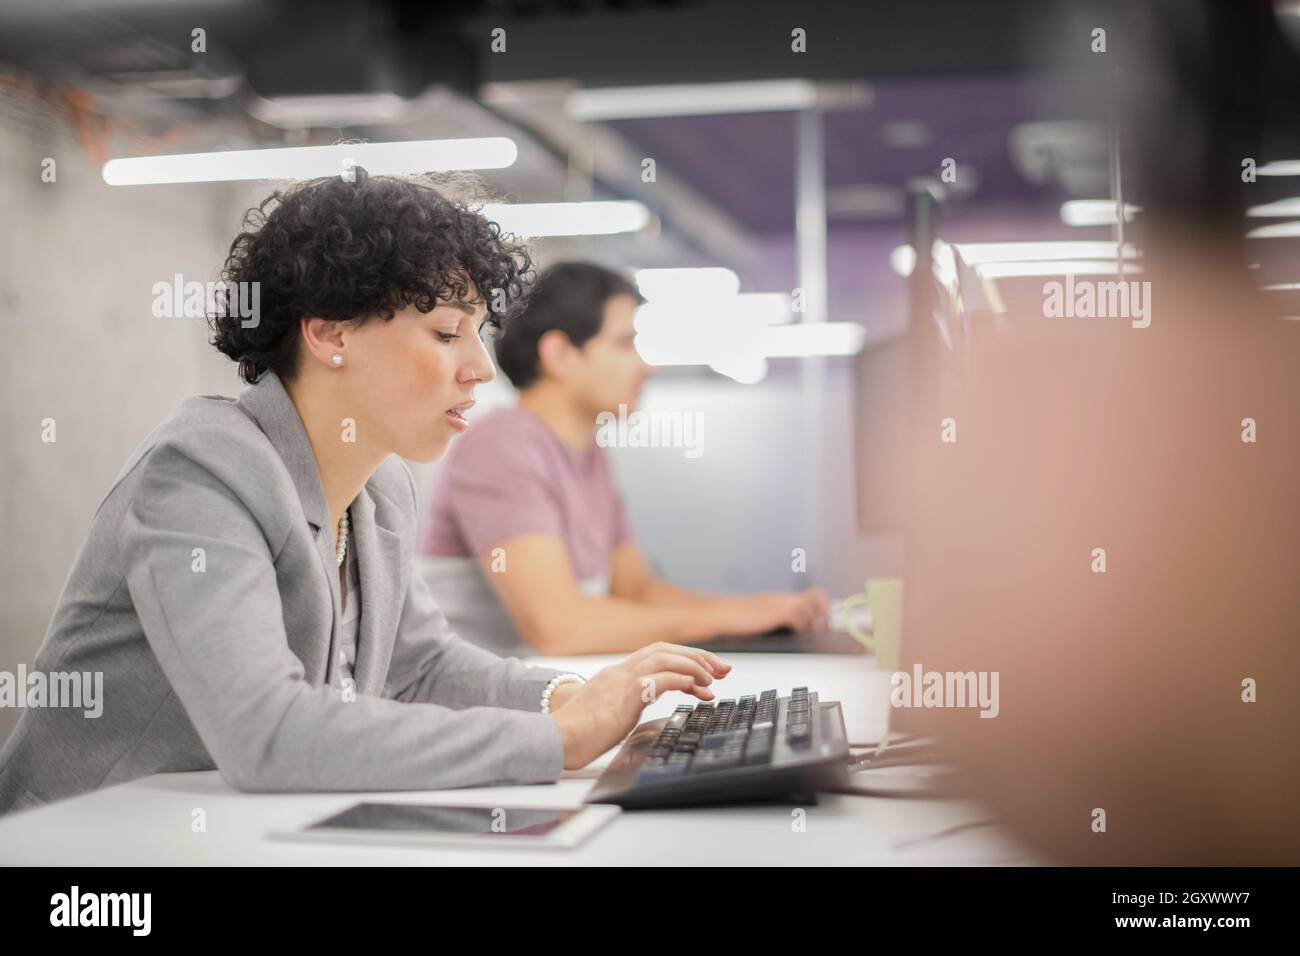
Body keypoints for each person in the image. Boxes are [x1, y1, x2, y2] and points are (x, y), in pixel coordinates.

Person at [0, 171, 729, 816]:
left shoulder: (381, 488)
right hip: (80, 843)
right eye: (447, 333)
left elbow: (420, 667)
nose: (480, 367)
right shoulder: (200, 473)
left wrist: (563, 696)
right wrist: (553, 739)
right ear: (328, 334)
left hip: (223, 831)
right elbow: (268, 734)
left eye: (480, 334)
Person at [417, 261, 830, 657]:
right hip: (477, 709)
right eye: (624, 343)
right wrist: (726, 617)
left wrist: (749, 613)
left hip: (547, 691)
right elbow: (560, 628)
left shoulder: (586, 453)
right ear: (560, 355)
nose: (646, 366)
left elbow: (636, 590)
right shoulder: (501, 445)